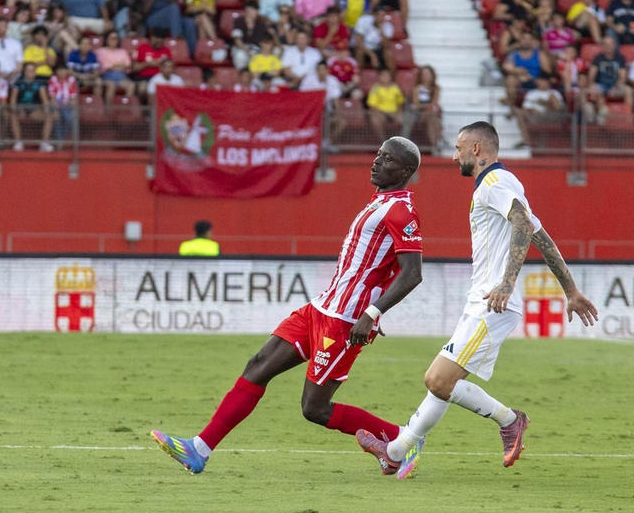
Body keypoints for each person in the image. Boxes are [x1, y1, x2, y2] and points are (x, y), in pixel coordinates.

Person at [150, 138, 427, 474]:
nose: (377, 162)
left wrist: (371, 314)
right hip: (320, 309)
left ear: (406, 171)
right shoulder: (379, 201)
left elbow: (412, 274)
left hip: (345, 321)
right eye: (378, 154)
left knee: (314, 408)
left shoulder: (401, 211)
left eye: (388, 159)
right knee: (258, 365)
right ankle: (199, 449)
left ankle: (402, 439)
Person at [360, 121, 598, 479]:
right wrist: (570, 290)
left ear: (475, 149)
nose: (454, 156)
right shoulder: (502, 185)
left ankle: (508, 420)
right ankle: (396, 451)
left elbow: (521, 223)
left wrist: (506, 282)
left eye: (458, 148)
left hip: (493, 302)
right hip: (485, 301)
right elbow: (540, 236)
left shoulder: (495, 182)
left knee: (438, 380)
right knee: (441, 383)